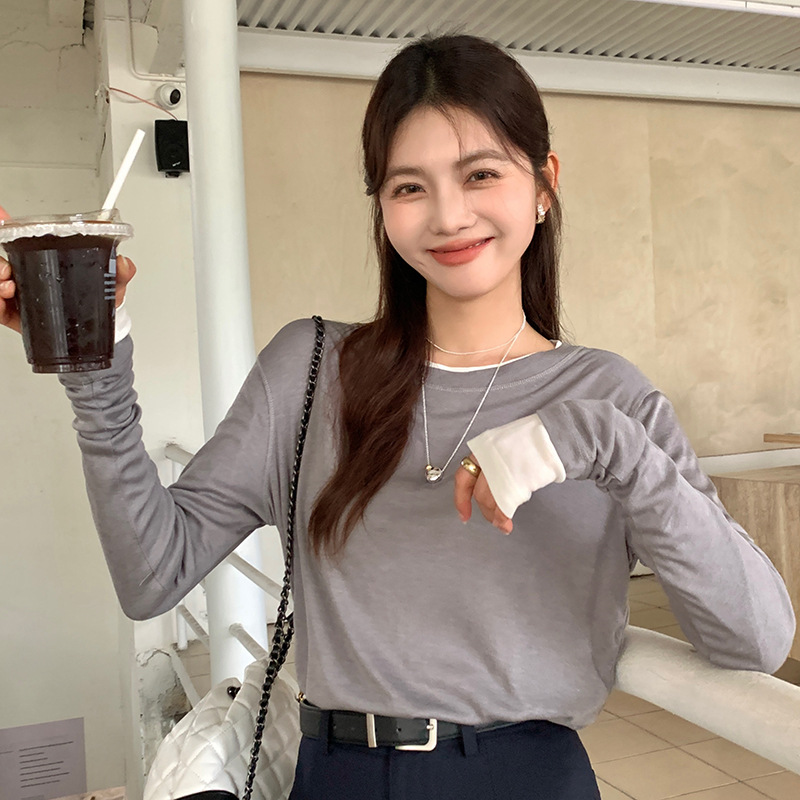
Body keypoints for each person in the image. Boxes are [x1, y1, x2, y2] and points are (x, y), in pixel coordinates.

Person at [1, 34, 795, 800]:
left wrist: (605, 444)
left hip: (525, 780)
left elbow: (754, 639)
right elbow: (152, 575)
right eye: (409, 187)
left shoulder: (611, 398)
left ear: (544, 183)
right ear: (381, 204)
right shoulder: (311, 369)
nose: (448, 216)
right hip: (337, 776)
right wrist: (92, 358)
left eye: (481, 174)